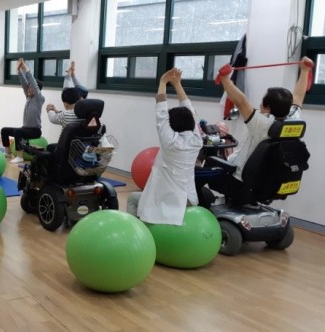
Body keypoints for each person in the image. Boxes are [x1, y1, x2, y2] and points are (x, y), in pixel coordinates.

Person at [216, 56, 313, 183]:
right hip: (266, 181)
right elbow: (298, 96)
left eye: (262, 103)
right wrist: (305, 71)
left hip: (239, 178)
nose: (260, 105)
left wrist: (225, 80)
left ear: (268, 108)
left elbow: (241, 102)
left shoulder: (261, 123)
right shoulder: (293, 117)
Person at [126, 68, 203, 226]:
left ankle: (137, 232)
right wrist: (177, 84)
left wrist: (163, 82)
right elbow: (190, 112)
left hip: (169, 202)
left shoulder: (170, 142)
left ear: (173, 126)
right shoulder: (197, 140)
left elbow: (161, 112)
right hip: (190, 198)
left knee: (133, 198)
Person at [1, 58, 45, 163]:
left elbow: (32, 83)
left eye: (31, 88)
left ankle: (20, 156)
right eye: (28, 88)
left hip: (35, 131)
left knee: (17, 132)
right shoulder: (28, 97)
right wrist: (19, 70)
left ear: (35, 90)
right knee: (4, 130)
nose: (28, 89)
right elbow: (24, 83)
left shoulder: (39, 99)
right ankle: (7, 152)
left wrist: (25, 67)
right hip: (25, 128)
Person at [46, 61, 87, 128]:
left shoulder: (65, 115)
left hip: (69, 138)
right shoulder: (87, 112)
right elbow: (75, 89)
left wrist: (49, 110)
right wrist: (72, 75)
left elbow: (53, 118)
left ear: (65, 104)